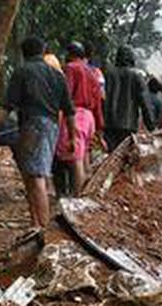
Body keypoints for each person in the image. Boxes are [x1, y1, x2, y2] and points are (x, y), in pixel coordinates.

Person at [0, 37, 77, 230]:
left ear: (24, 54)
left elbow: (6, 108)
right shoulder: (58, 75)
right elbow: (69, 110)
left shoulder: (22, 71)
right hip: (51, 126)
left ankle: (43, 228)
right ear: (43, 52)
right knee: (31, 174)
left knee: (35, 176)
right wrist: (73, 137)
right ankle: (35, 223)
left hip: (32, 126)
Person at [53, 44, 101, 195]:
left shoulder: (71, 68)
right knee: (84, 156)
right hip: (89, 117)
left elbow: (65, 96)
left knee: (75, 159)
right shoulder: (92, 72)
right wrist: (100, 126)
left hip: (76, 115)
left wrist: (59, 117)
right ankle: (84, 194)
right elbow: (99, 100)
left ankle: (78, 198)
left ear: (71, 54)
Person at [102, 46, 155, 151]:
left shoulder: (108, 74)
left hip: (109, 124)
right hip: (128, 126)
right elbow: (145, 103)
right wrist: (151, 125)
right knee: (124, 158)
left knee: (110, 157)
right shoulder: (136, 77)